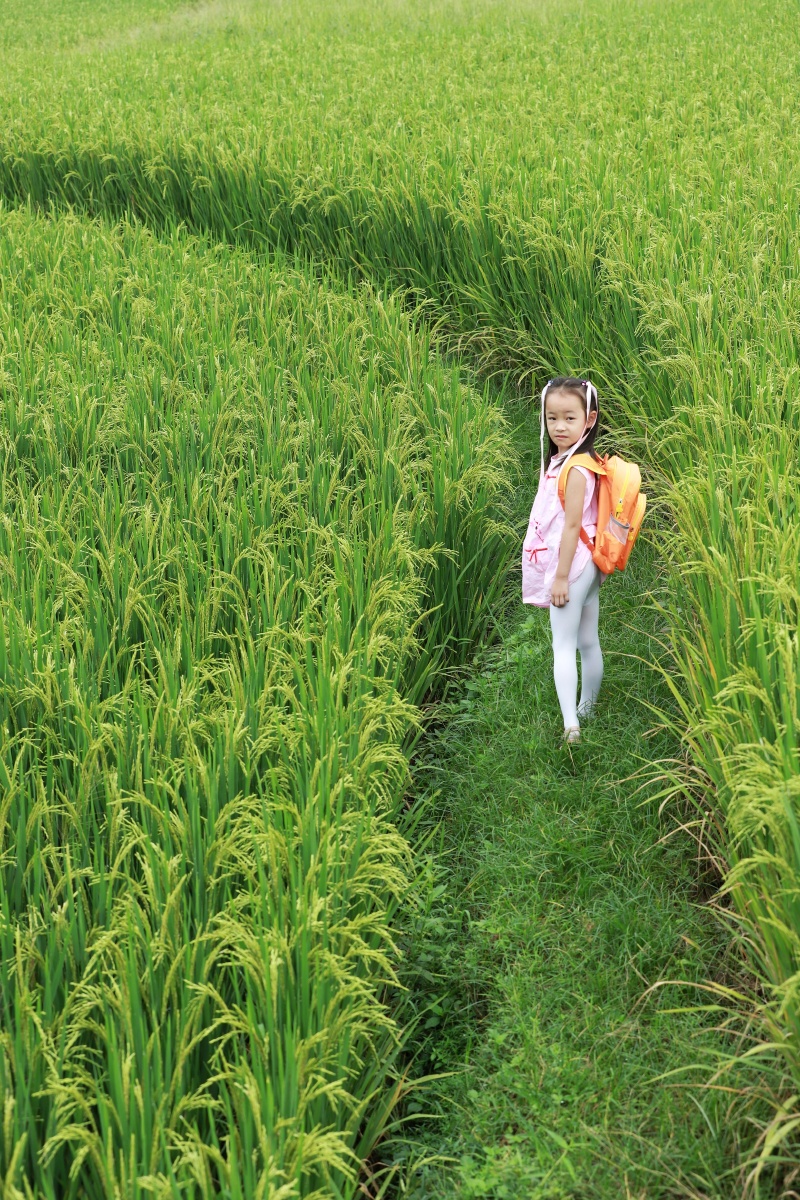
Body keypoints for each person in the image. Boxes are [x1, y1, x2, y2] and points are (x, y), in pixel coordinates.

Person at [521, 377, 605, 745]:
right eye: (552, 417)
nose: (558, 427)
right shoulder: (580, 459)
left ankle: (571, 724)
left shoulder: (575, 468)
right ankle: (587, 708)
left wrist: (559, 578)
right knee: (587, 639)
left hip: (572, 565)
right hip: (590, 562)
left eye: (569, 418)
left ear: (589, 419)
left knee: (563, 645)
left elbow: (571, 526)